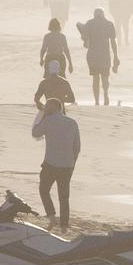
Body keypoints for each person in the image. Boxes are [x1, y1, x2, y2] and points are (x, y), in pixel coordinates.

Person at [32, 97, 80, 232]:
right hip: (67, 165)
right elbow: (77, 147)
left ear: (52, 108)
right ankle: (64, 226)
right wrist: (72, 164)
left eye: (47, 107)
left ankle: (52, 218)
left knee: (44, 190)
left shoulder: (47, 120)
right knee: (64, 196)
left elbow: (35, 133)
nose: (46, 109)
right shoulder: (72, 122)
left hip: (51, 163)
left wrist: (40, 115)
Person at [79, 8, 119, 106]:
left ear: (94, 15)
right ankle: (105, 94)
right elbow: (113, 41)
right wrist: (116, 56)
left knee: (95, 78)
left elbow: (85, 41)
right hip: (105, 55)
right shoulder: (109, 24)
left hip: (93, 55)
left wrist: (83, 34)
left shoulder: (90, 24)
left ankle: (96, 101)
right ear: (103, 14)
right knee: (105, 77)